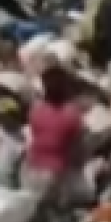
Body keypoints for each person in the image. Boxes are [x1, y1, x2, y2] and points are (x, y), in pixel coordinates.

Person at [23, 65, 87, 199]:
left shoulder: (35, 110)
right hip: (57, 174)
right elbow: (78, 149)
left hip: (31, 168)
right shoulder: (72, 114)